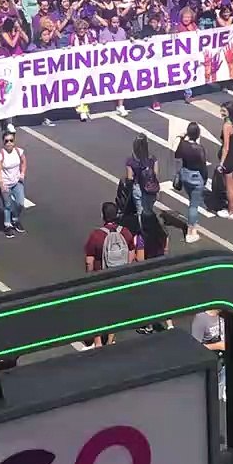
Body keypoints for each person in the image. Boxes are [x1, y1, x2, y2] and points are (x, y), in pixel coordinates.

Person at [85, 202, 142, 346]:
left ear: (103, 216)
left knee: (97, 310)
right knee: (113, 310)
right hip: (119, 277)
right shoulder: (125, 232)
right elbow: (131, 252)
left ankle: (98, 342)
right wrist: (125, 268)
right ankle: (110, 340)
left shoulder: (96, 235)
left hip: (101, 277)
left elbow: (89, 260)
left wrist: (89, 276)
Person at [174, 122, 208, 243]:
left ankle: (193, 225)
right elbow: (203, 166)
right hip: (196, 177)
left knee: (191, 201)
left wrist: (182, 138)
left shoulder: (183, 145)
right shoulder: (199, 149)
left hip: (185, 175)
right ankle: (191, 231)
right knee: (194, 205)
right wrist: (204, 179)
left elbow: (177, 155)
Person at [0, 131, 28, 236]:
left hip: (17, 182)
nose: (9, 143)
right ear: (3, 142)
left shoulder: (18, 151)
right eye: (6, 141)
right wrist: (2, 185)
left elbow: (24, 162)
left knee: (20, 203)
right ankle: (7, 225)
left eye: (11, 140)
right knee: (7, 205)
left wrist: (22, 174)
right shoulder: (0, 155)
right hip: (6, 183)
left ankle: (15, 219)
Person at [126, 134, 160, 231]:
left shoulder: (131, 160)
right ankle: (152, 230)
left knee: (140, 212)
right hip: (150, 188)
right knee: (149, 210)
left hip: (138, 187)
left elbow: (130, 177)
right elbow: (156, 174)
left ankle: (143, 233)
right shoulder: (152, 158)